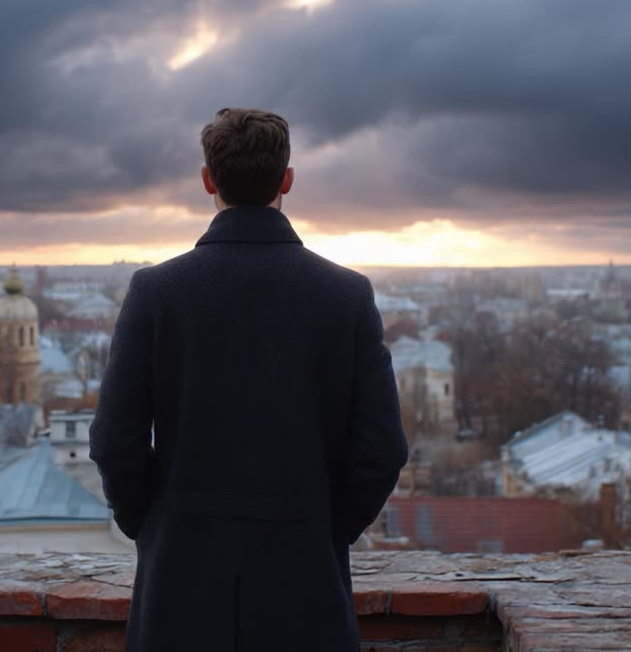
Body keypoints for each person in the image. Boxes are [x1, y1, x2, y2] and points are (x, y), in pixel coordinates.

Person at [90, 107, 409, 651]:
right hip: (306, 584)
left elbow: (115, 440)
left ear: (208, 180)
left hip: (180, 584)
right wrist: (324, 528)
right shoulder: (346, 295)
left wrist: (155, 526)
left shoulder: (157, 292)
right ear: (287, 180)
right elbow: (382, 449)